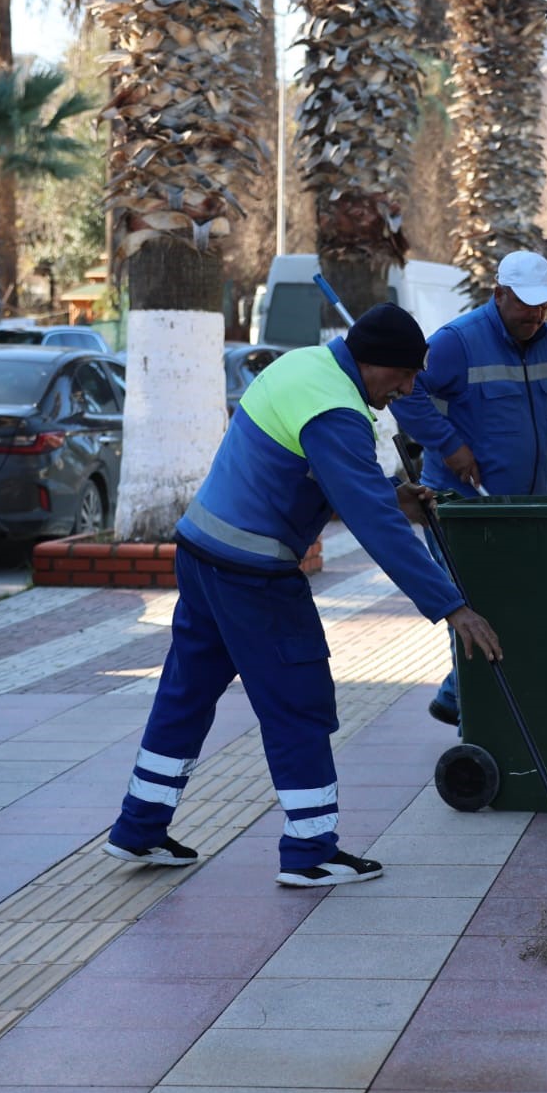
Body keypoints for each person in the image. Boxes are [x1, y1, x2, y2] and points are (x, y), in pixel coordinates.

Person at [105, 304, 503, 887]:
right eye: (404, 375)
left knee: (186, 693)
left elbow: (315, 474)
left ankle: (138, 827)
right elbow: (371, 521)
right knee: (299, 701)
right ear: (371, 365)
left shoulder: (306, 368)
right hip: (252, 573)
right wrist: (451, 605)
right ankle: (311, 851)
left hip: (201, 550)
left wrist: (397, 497)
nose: (409, 388)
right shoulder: (336, 411)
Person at [390, 249, 547, 727]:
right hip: (459, 507)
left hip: (524, 506)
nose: (536, 316)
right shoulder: (457, 341)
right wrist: (450, 446)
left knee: (511, 604)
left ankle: (458, 697)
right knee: (481, 602)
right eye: (526, 305)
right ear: (497, 294)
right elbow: (405, 392)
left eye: (543, 306)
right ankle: (472, 713)